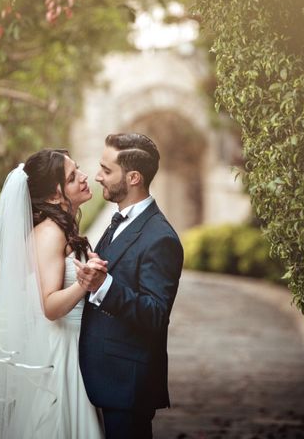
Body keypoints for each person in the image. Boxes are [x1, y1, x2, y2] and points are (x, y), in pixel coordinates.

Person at [0, 149, 104, 439]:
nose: (84, 177)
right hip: (60, 353)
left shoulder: (62, 227)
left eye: (78, 169)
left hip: (76, 346)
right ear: (55, 195)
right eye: (72, 177)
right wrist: (85, 283)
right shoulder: (50, 233)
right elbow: (50, 306)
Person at [75, 133, 184, 439]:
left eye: (106, 170)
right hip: (101, 377)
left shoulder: (160, 238)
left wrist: (105, 285)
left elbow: (155, 315)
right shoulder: (119, 220)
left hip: (126, 383)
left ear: (133, 177)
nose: (97, 176)